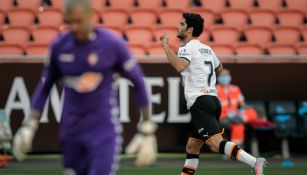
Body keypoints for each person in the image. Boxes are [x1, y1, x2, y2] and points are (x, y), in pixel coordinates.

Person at [12, 0, 156, 174]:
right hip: (70, 132)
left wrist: (147, 127)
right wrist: (30, 124)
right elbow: (45, 86)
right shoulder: (59, 46)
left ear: (91, 17)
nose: (74, 27)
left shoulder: (111, 44)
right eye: (69, 22)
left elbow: (139, 82)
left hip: (102, 132)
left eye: (78, 21)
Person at [160, 12, 267, 175]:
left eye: (181, 24)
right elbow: (219, 69)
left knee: (216, 144)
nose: (178, 26)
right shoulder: (207, 49)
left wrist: (166, 47)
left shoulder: (186, 48)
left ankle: (254, 162)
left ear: (190, 29)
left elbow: (180, 66)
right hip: (212, 100)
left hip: (200, 102)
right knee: (192, 146)